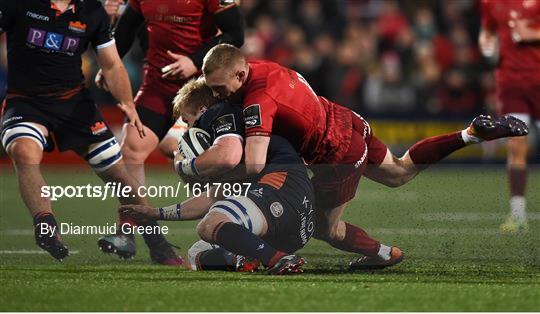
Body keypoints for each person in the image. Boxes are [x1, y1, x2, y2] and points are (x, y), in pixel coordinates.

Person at [201, 44, 529, 270]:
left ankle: (383, 254)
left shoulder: (258, 100)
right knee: (399, 172)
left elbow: (256, 165)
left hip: (335, 152)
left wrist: (211, 173)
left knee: (321, 227)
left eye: (219, 88)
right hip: (346, 119)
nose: (217, 95)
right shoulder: (258, 68)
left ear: (240, 76)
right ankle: (470, 134)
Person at [0, 0, 182, 264]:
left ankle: (158, 244)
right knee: (23, 151)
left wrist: (128, 104)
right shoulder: (19, 3)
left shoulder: (91, 11)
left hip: (75, 105)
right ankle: (45, 225)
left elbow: (111, 64)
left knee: (119, 175)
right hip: (25, 102)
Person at [95, 0, 245, 258]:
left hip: (202, 87)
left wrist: (193, 60)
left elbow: (236, 34)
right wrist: (110, 63)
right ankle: (129, 229)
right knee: (130, 151)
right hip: (159, 84)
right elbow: (127, 29)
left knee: (206, 162)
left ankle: (226, 226)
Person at [121, 79, 315, 275]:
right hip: (292, 218)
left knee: (210, 224)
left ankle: (278, 259)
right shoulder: (237, 130)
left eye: (188, 121)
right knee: (197, 253)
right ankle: (247, 257)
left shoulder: (219, 113)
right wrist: (156, 213)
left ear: (202, 109)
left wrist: (187, 167)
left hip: (282, 190)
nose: (189, 129)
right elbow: (211, 197)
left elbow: (226, 157)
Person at [479, 0, 540, 233]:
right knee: (516, 146)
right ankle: (518, 215)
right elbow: (488, 30)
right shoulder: (490, 3)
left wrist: (532, 32)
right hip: (511, 83)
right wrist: (486, 42)